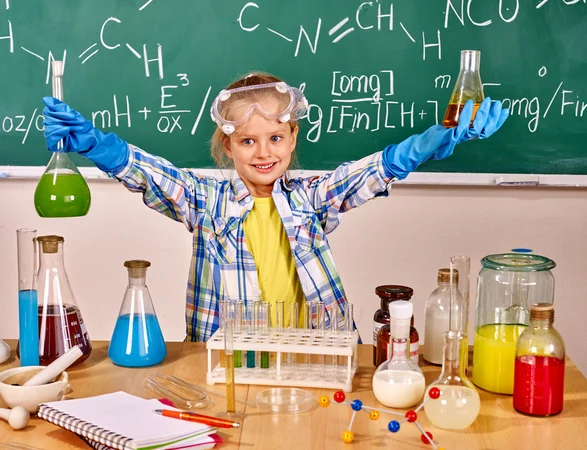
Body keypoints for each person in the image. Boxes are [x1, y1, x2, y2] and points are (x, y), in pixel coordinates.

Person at [42, 72, 509, 342]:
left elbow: (372, 171)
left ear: (291, 139)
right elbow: (148, 173)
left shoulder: (310, 197)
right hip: (230, 353)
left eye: (274, 138)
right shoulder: (206, 201)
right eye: (247, 141)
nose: (263, 152)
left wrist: (431, 143)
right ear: (228, 148)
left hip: (316, 348)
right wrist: (96, 145)